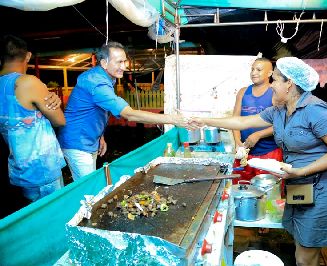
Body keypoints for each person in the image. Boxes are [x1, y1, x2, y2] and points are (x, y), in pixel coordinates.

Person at [190, 57, 327, 266]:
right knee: (301, 241)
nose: (272, 85)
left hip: (322, 189)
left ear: (290, 84)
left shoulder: (315, 109)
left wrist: (301, 171)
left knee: (305, 256)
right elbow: (242, 121)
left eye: (275, 80)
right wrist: (205, 120)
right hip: (300, 185)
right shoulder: (280, 110)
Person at [57, 41, 192, 181]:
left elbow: (96, 110)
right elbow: (129, 114)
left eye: (124, 61)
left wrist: (100, 136)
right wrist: (174, 119)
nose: (124, 66)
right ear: (104, 63)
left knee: (90, 183)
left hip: (90, 139)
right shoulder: (97, 83)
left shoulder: (106, 77)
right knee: (87, 188)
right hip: (77, 141)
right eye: (119, 62)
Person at [0, 34, 66, 204]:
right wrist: (54, 102)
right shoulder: (27, 82)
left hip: (18, 167)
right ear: (28, 56)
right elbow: (60, 120)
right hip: (42, 169)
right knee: (54, 217)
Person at [232, 57, 282, 184]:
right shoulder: (243, 92)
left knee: (268, 195)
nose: (254, 72)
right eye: (252, 69)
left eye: (259, 70)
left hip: (269, 153)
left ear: (270, 73)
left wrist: (258, 135)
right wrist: (238, 142)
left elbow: (281, 123)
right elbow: (235, 120)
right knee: (241, 190)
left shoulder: (275, 93)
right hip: (245, 154)